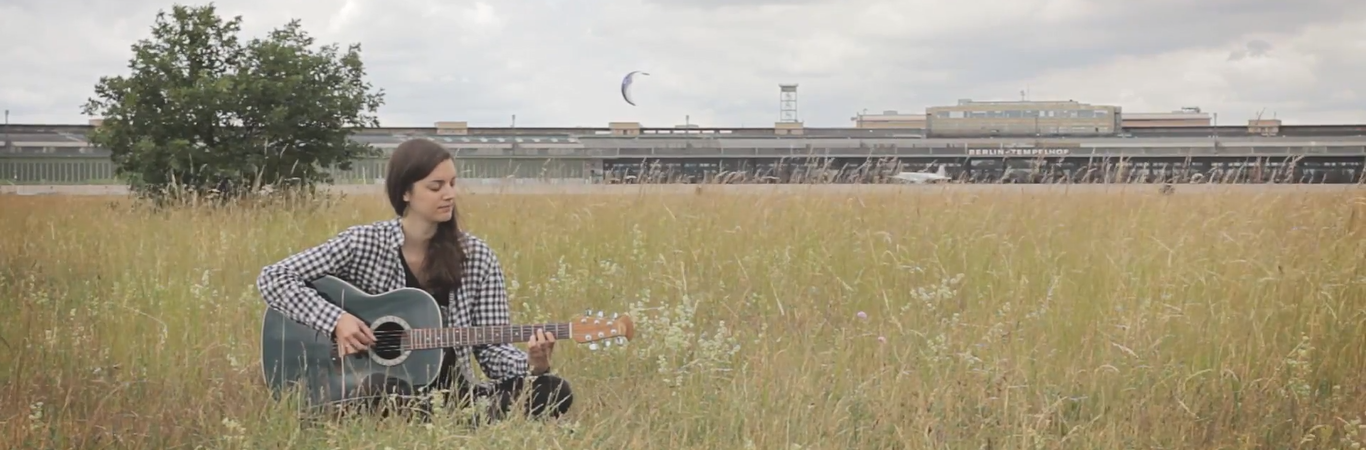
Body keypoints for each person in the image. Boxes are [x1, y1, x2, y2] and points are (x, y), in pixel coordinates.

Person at [256, 138, 572, 423]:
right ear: (406, 192)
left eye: (452, 183)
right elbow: (274, 277)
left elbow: (491, 351)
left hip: (453, 393)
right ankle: (455, 425)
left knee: (554, 390)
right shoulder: (363, 242)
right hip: (378, 385)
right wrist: (337, 320)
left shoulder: (476, 256)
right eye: (436, 187)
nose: (450, 194)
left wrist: (535, 365)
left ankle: (451, 422)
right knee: (380, 387)